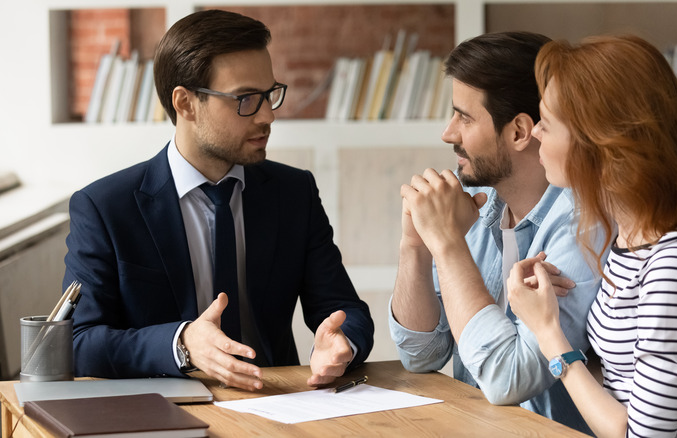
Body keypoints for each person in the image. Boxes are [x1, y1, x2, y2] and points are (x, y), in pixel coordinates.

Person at [63, 9, 374, 391]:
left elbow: (345, 309)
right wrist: (181, 344)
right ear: (185, 103)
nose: (266, 117)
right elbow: (79, 343)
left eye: (268, 95)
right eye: (245, 99)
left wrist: (343, 344)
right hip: (163, 411)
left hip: (278, 402)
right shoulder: (105, 208)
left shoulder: (294, 193)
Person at [508, 34, 677, 437]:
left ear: (600, 144)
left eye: (547, 122)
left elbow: (641, 435)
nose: (536, 133)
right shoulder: (633, 238)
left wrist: (547, 332)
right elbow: (625, 382)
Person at [389, 32, 603, 434]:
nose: (448, 133)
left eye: (464, 117)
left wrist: (448, 245)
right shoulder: (474, 198)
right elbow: (421, 354)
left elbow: (511, 379)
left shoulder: (582, 223)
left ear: (520, 131)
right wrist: (416, 245)